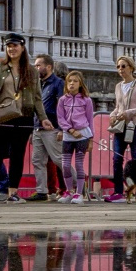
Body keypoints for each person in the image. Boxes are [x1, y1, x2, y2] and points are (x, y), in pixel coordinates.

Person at [0, 35, 40, 203]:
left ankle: (13, 192)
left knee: (17, 154)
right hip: (1, 116)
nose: (11, 49)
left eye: (15, 46)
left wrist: (43, 118)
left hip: (24, 117)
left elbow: (37, 97)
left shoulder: (31, 71)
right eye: (8, 46)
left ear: (22, 47)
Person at [106, 56, 136, 202]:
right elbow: (118, 107)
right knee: (117, 158)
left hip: (135, 126)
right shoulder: (118, 86)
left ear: (131, 67)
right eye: (118, 67)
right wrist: (112, 115)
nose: (120, 69)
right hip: (121, 127)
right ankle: (118, 191)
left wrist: (128, 113)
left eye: (123, 66)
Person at [28, 54, 66, 202]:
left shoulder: (58, 84)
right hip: (37, 127)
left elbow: (62, 108)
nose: (36, 68)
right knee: (38, 160)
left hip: (52, 127)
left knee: (58, 159)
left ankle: (77, 185)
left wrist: (63, 128)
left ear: (48, 67)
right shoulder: (37, 84)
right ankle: (41, 191)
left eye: (38, 65)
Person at [56, 71, 96, 204]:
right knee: (65, 165)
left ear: (80, 84)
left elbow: (90, 120)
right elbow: (60, 118)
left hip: (82, 135)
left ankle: (79, 193)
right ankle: (68, 191)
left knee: (79, 164)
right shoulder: (62, 100)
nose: (72, 83)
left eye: (75, 81)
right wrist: (70, 130)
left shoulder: (86, 100)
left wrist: (90, 139)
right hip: (68, 135)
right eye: (69, 81)